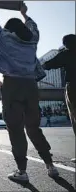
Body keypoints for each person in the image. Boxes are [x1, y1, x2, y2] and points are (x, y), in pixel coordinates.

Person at [0, 2, 59, 182]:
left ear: (9, 29)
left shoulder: (5, 37)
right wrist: (24, 14)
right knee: (34, 128)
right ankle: (50, 165)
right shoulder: (33, 39)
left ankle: (22, 171)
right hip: (30, 86)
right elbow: (33, 26)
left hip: (12, 86)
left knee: (16, 129)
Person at [42, 34, 76, 163]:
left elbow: (49, 64)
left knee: (75, 117)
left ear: (66, 44)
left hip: (73, 87)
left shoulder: (67, 54)